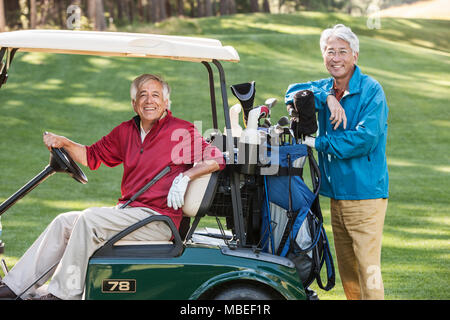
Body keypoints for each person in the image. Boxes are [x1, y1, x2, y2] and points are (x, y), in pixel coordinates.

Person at [0, 73, 224, 300]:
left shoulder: (180, 131)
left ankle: (61, 295)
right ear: (134, 104)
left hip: (158, 219)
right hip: (128, 213)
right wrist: (64, 143)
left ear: (166, 103)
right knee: (64, 222)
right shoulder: (126, 131)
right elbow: (91, 156)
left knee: (88, 220)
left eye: (156, 95)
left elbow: (216, 158)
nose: (149, 101)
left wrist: (186, 176)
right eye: (142, 95)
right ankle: (14, 287)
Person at [285, 24, 389, 300]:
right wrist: (328, 97)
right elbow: (292, 92)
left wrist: (318, 143)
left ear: (355, 55)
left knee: (368, 267)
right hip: (337, 194)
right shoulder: (325, 87)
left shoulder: (371, 90)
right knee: (348, 268)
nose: (336, 57)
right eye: (330, 51)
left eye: (343, 51)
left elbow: (365, 139)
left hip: (365, 194)